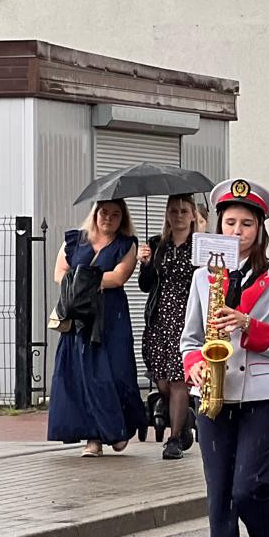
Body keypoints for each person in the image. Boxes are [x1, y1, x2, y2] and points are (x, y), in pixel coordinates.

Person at [179, 179, 269, 537]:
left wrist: (247, 324)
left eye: (247, 224)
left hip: (262, 393)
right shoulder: (202, 277)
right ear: (218, 226)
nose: (237, 231)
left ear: (259, 228)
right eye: (230, 222)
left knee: (249, 487)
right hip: (213, 392)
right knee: (220, 495)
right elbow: (190, 339)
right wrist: (195, 365)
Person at [49, 198, 146, 455]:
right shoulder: (75, 240)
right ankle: (93, 439)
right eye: (104, 213)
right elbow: (59, 272)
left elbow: (119, 276)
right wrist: (87, 281)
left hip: (111, 317)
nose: (108, 219)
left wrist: (83, 279)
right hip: (80, 316)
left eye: (115, 214)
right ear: (95, 214)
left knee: (115, 373)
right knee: (82, 376)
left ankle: (118, 429)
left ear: (122, 218)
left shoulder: (127, 244)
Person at [137, 194, 202, 459]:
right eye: (173, 211)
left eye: (184, 211)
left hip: (187, 320)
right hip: (160, 321)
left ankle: (173, 439)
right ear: (167, 215)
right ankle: (183, 421)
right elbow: (145, 286)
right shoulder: (157, 244)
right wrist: (145, 264)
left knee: (179, 380)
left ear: (193, 215)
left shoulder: (199, 245)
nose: (179, 216)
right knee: (163, 383)